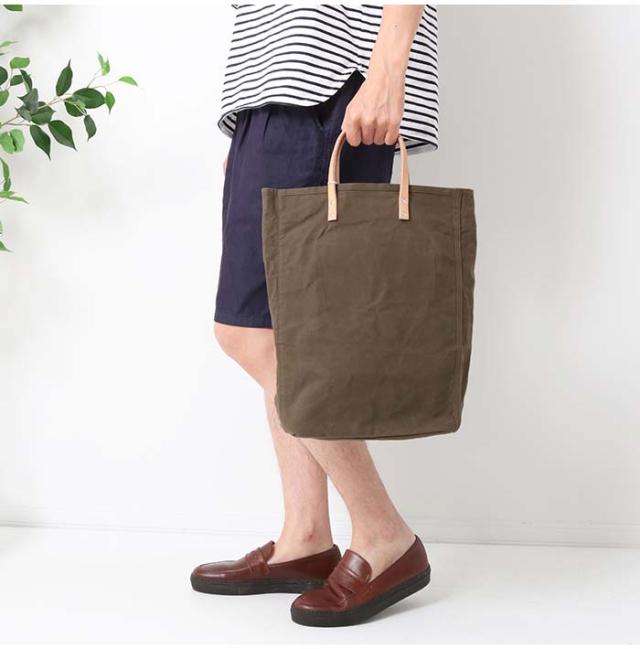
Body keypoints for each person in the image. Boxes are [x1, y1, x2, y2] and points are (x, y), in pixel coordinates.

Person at [191, 4, 439, 626]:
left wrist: (387, 72)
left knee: (250, 333)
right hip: (281, 93)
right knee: (280, 330)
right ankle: (305, 539)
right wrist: (249, 122)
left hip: (327, 88)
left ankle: (384, 533)